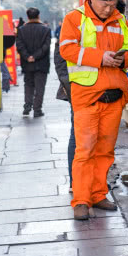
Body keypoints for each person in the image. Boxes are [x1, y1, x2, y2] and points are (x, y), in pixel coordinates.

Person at [59, 0, 128, 220]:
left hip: (114, 97)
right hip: (87, 97)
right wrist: (100, 57)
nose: (109, 8)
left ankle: (98, 194)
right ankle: (81, 200)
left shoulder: (120, 20)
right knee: (85, 151)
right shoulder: (74, 19)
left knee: (105, 151)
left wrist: (123, 58)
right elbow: (67, 49)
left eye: (113, 4)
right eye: (105, 4)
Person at [16, 7, 51, 117]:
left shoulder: (21, 30)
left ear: (28, 17)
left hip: (27, 64)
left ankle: (27, 105)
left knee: (28, 85)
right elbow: (46, 46)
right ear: (38, 16)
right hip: (41, 63)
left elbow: (20, 46)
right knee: (40, 87)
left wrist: (28, 57)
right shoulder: (46, 30)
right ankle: (37, 109)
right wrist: (35, 56)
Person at [54, 36, 75, 193]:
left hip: (102, 92)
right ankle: (75, 182)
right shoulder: (73, 22)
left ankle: (97, 185)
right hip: (77, 93)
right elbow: (61, 64)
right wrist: (72, 88)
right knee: (78, 135)